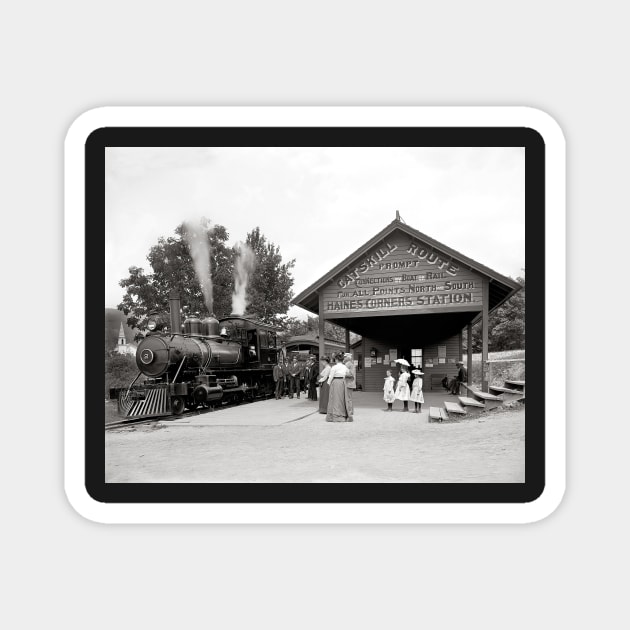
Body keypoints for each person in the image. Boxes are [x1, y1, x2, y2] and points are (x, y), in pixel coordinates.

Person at [326, 353, 351, 422]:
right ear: (342, 360)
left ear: (336, 360)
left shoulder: (334, 367)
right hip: (342, 382)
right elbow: (348, 373)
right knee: (342, 398)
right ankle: (343, 414)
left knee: (334, 398)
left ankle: (334, 415)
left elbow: (331, 376)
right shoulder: (344, 367)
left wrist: (328, 383)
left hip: (336, 382)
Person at [342, 352, 356, 422]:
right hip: (348, 383)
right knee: (349, 398)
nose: (344, 358)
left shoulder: (350, 365)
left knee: (349, 398)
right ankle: (350, 411)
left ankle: (350, 411)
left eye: (345, 357)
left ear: (348, 358)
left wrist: (343, 374)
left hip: (349, 383)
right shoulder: (348, 364)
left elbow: (351, 374)